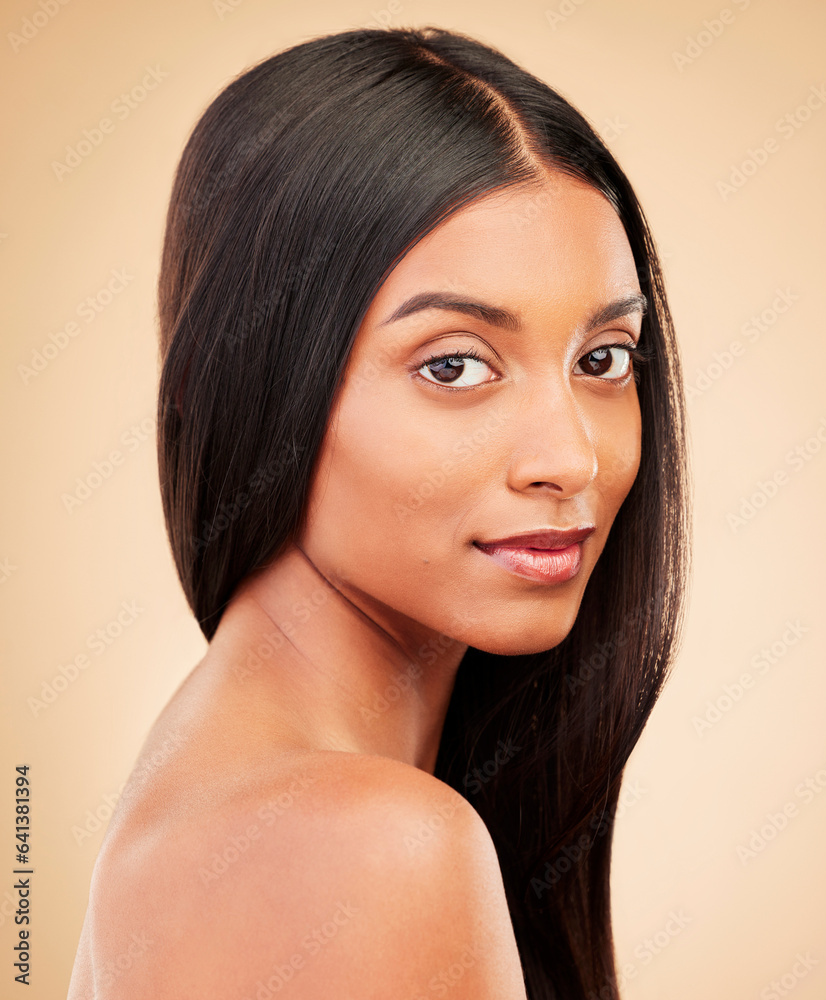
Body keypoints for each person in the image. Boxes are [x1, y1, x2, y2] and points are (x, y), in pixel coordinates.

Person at [67, 24, 689, 1000]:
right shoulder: (373, 848)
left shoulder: (213, 784)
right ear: (230, 380)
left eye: (603, 358)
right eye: (453, 364)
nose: (570, 457)